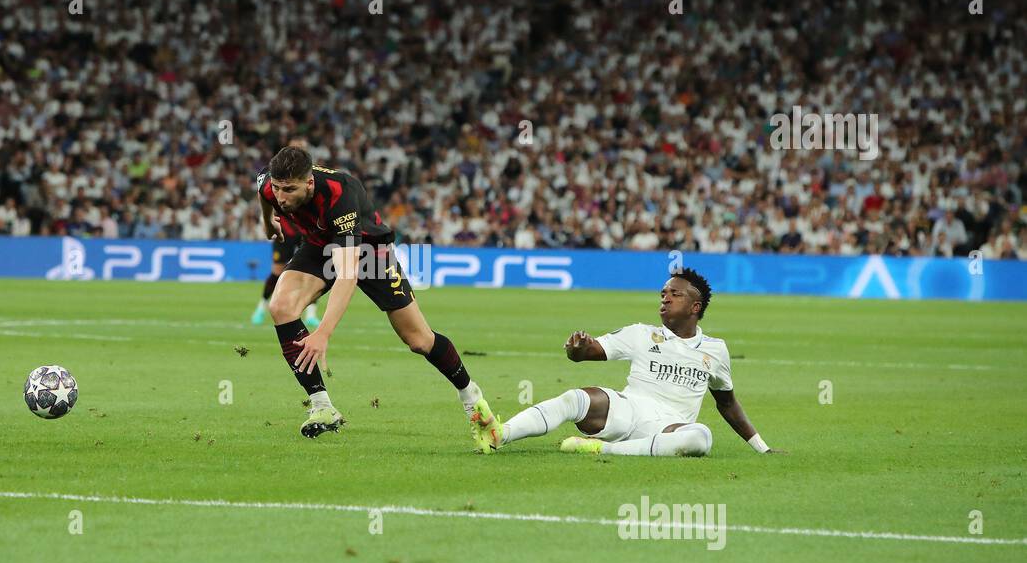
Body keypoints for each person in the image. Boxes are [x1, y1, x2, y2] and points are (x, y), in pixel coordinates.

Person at [257, 144, 485, 439]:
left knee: (418, 339)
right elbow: (264, 196)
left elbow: (348, 273)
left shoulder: (341, 194)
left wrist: (323, 332)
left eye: (289, 190)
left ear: (309, 182)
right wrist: (268, 223)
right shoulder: (269, 185)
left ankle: (470, 394)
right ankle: (322, 406)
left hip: (368, 251)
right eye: (277, 188)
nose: (281, 197)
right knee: (281, 306)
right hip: (318, 245)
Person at [471, 268, 784, 458]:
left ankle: (602, 450)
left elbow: (727, 403)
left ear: (695, 306)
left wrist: (762, 448)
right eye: (663, 293)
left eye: (674, 294)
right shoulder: (641, 334)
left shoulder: (716, 350)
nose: (665, 298)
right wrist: (577, 349)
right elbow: (590, 351)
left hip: (668, 427)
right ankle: (501, 433)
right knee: (576, 398)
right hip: (627, 410)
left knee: (700, 437)